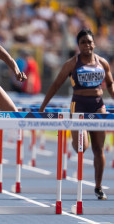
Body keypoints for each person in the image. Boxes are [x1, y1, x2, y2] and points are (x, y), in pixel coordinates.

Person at [39, 29, 114, 200]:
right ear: (78, 46)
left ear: (94, 43)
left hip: (98, 105)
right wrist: (43, 106)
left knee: (98, 149)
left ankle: (98, 187)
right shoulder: (72, 64)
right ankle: (75, 138)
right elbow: (56, 84)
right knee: (83, 146)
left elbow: (110, 84)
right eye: (83, 42)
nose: (87, 45)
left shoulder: (103, 63)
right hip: (78, 106)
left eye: (89, 42)